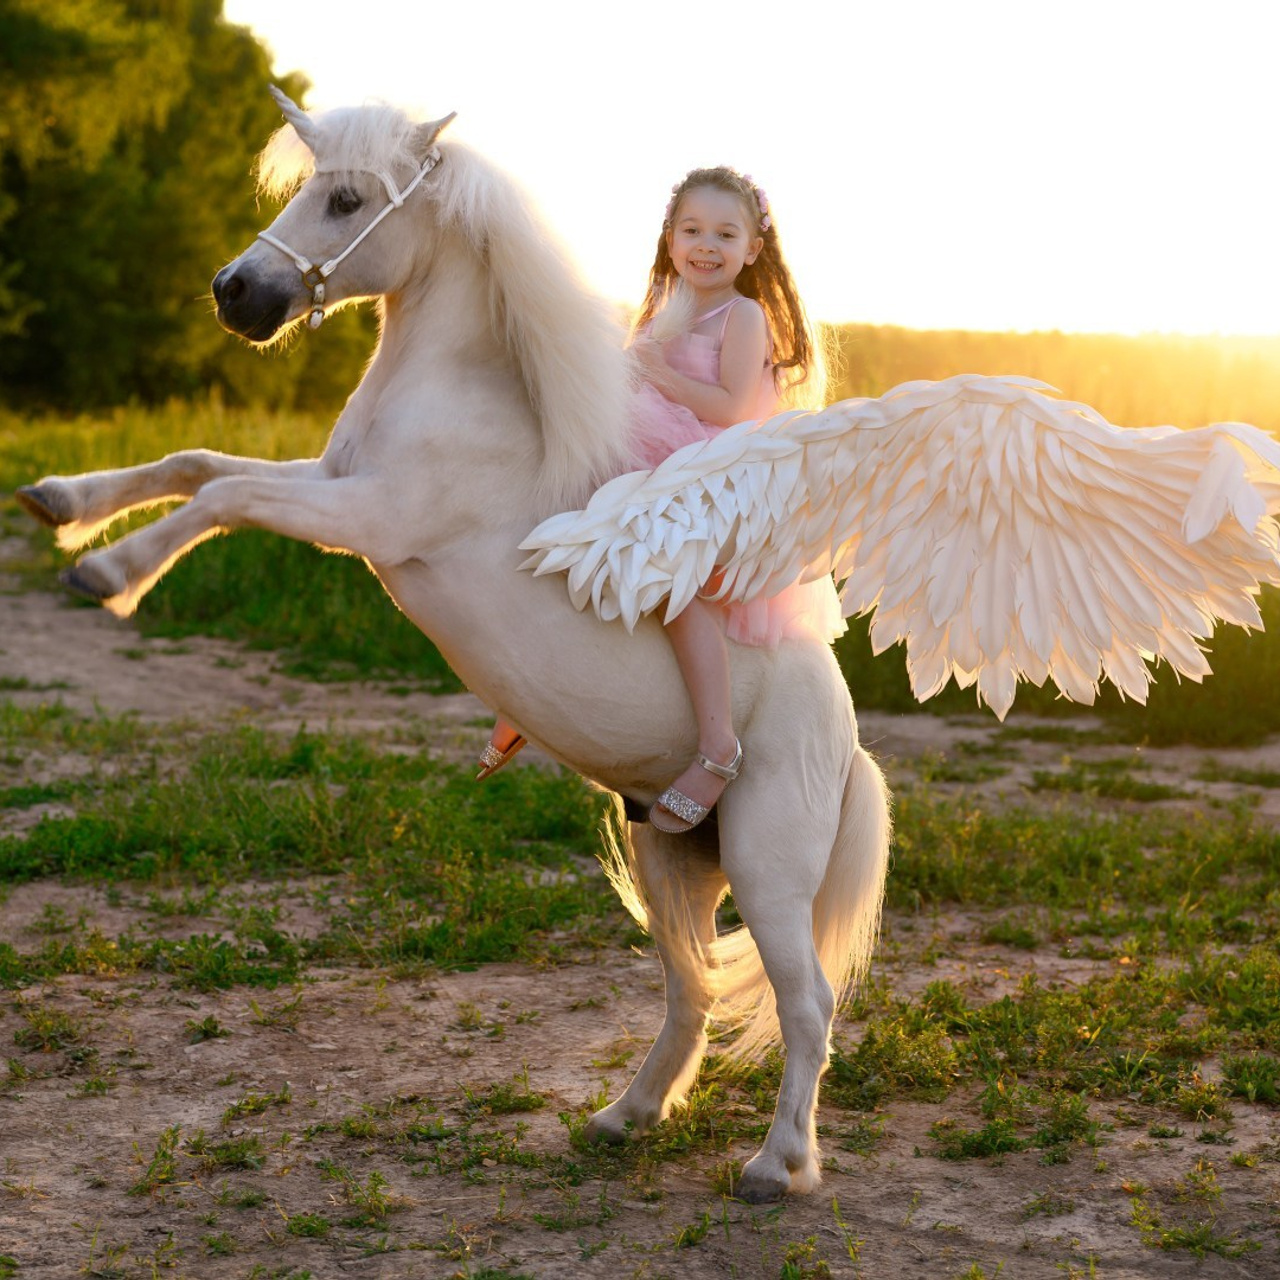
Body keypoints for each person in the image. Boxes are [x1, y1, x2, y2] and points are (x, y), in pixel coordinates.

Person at [478, 168, 845, 831]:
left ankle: (717, 747)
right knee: (559, 532)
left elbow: (734, 409)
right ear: (671, 239)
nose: (707, 246)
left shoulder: (744, 316)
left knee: (676, 590)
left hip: (714, 474)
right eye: (693, 231)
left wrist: (660, 373)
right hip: (646, 452)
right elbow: (625, 377)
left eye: (725, 235)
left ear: (752, 249)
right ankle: (528, 697)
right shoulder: (662, 299)